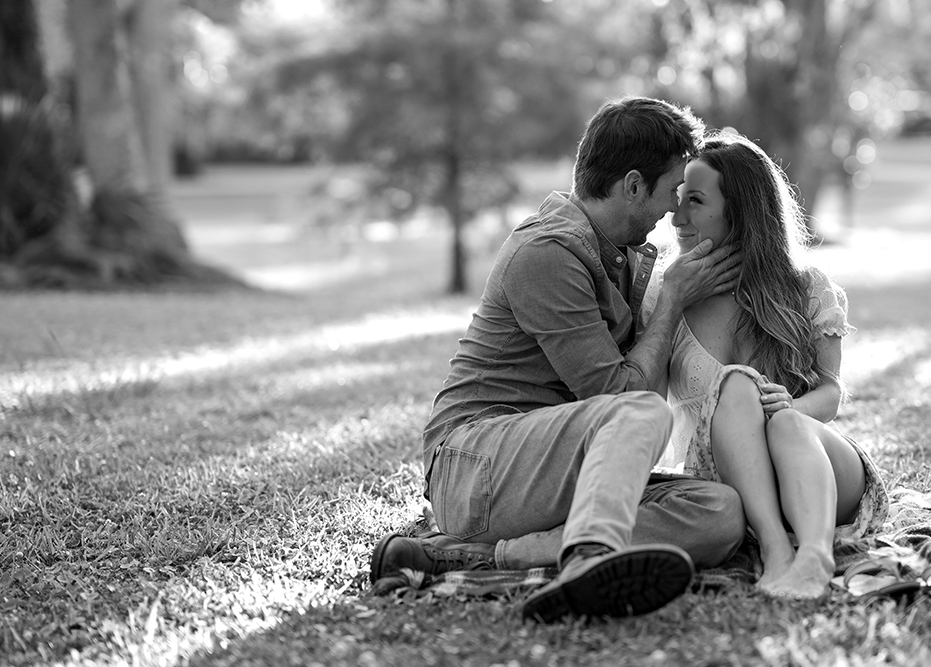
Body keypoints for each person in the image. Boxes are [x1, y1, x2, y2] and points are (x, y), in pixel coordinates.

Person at [370, 97, 746, 622]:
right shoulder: (546, 252)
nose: (673, 208)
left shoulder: (621, 253)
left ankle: (482, 558)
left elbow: (631, 400)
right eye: (671, 189)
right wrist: (674, 302)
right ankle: (589, 560)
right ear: (633, 186)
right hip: (475, 466)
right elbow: (624, 398)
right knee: (638, 410)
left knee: (720, 511)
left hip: (558, 466)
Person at [646, 129, 889, 599]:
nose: (676, 217)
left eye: (695, 201)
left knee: (787, 424)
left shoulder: (806, 287)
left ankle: (813, 557)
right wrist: (672, 302)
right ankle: (776, 551)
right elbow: (647, 404)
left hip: (817, 471)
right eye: (678, 199)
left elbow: (831, 391)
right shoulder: (664, 294)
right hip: (724, 486)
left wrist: (791, 407)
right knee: (736, 385)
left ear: (741, 209)